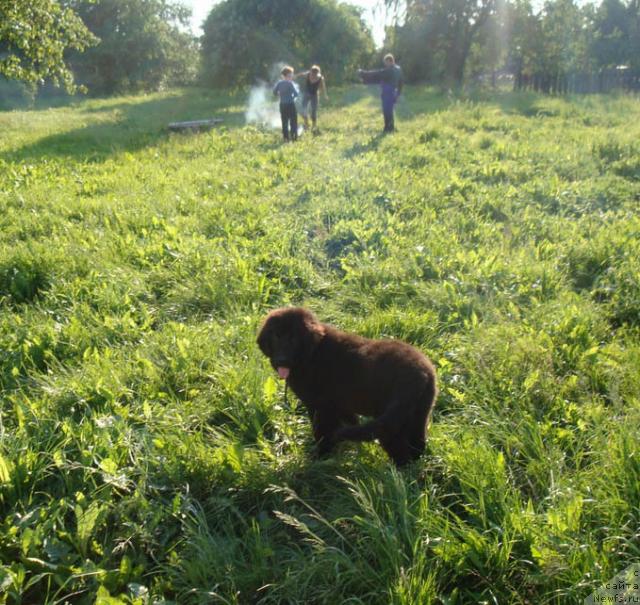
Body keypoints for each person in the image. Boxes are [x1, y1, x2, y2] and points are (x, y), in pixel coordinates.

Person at [358, 54, 404, 133]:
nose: (385, 64)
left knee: (386, 111)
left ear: (390, 61)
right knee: (390, 111)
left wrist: (363, 73)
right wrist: (398, 94)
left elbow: (377, 73)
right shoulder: (398, 69)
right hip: (394, 92)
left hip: (387, 92)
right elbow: (401, 83)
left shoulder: (390, 70)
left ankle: (387, 129)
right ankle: (391, 127)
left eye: (386, 63)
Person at [295, 65, 328, 131]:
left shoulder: (320, 78)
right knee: (303, 109)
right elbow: (301, 74)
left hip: (314, 95)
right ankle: (306, 123)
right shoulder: (308, 74)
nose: (313, 76)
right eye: (312, 74)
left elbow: (323, 87)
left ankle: (314, 125)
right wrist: (295, 76)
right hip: (306, 94)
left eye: (315, 74)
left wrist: (325, 95)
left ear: (317, 73)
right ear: (311, 72)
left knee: (314, 111)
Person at [273, 65, 299, 141]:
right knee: (293, 120)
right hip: (290, 104)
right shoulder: (290, 83)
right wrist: (293, 98)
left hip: (282, 105)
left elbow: (274, 92)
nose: (291, 77)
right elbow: (296, 94)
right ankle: (294, 137)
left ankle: (285, 138)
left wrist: (280, 95)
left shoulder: (279, 83)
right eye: (290, 75)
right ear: (287, 75)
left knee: (284, 121)